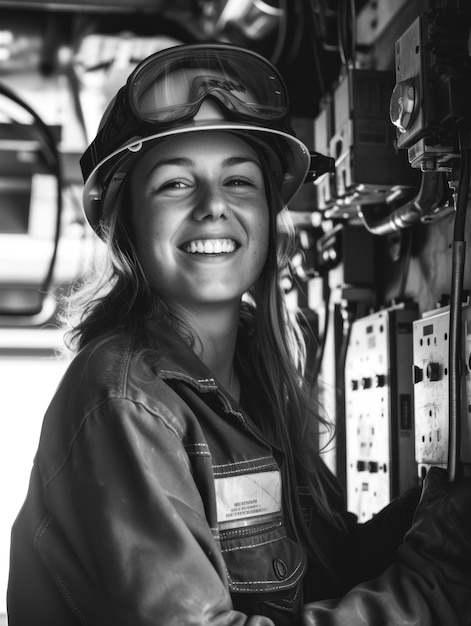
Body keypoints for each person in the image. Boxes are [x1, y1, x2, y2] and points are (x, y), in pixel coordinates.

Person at [7, 43, 471, 626]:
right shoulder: (124, 402)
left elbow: (332, 565)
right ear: (126, 221)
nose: (212, 206)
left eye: (239, 182)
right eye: (176, 184)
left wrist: (444, 511)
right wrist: (433, 588)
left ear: (268, 217)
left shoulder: (256, 381)